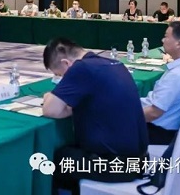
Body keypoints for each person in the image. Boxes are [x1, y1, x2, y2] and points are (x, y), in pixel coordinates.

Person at [42, 38, 148, 194]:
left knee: (51, 160)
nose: (62, 80)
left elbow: (51, 110)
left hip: (116, 165)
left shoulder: (81, 68)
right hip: (139, 159)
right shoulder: (114, 63)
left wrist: (48, 96)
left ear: (66, 64)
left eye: (60, 75)